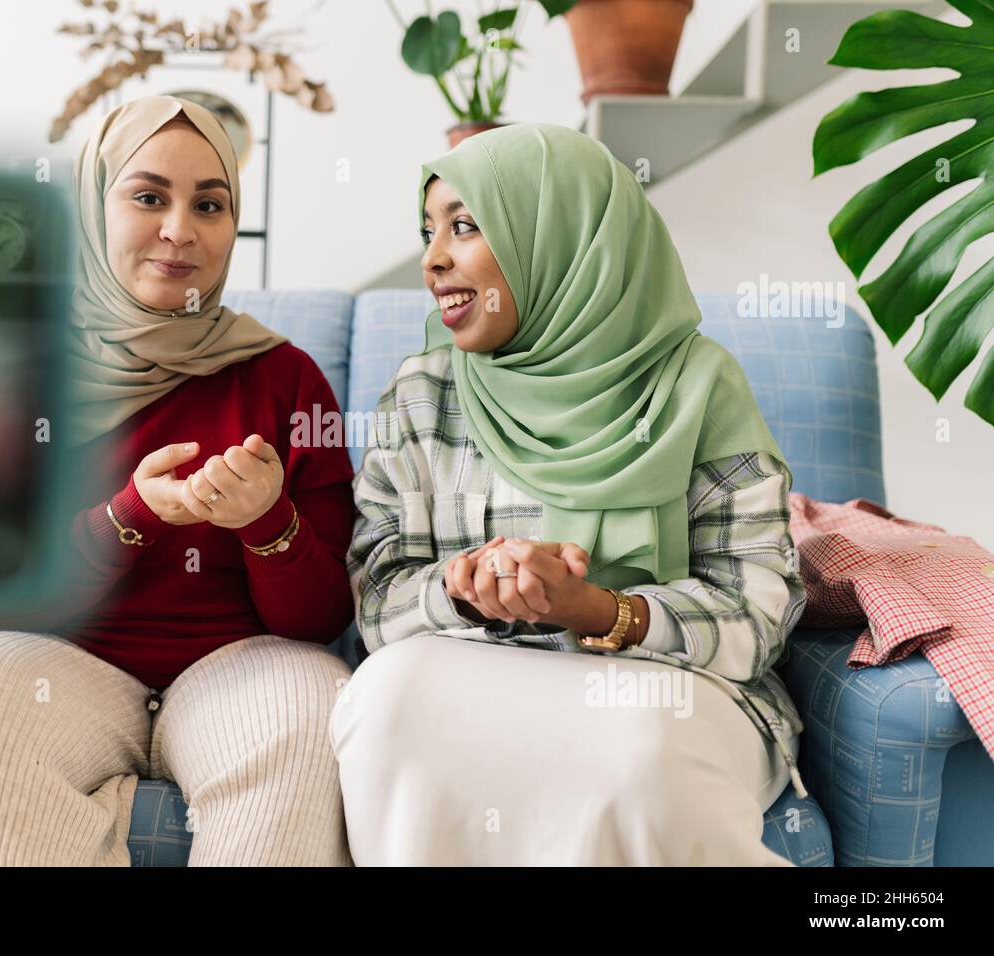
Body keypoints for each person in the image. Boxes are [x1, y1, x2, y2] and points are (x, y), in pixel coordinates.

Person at [0, 96, 356, 866]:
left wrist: (267, 523)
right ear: (89, 204)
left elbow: (320, 619)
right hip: (59, 667)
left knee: (313, 706)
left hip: (240, 670)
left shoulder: (286, 377)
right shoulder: (18, 376)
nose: (180, 230)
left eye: (210, 203)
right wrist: (128, 516)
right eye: (147, 196)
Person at [333, 123, 809, 866]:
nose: (432, 260)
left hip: (661, 687)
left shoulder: (697, 383)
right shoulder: (421, 394)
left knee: (639, 753)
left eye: (463, 225)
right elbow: (374, 600)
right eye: (428, 231)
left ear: (562, 235)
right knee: (385, 698)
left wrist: (598, 610)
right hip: (476, 672)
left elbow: (758, 612)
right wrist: (461, 589)